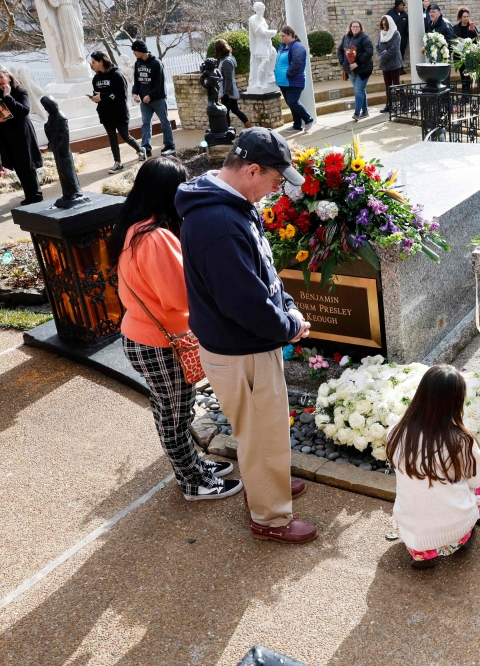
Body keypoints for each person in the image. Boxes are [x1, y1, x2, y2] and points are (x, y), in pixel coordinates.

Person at [176, 127, 315, 544]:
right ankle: (269, 517)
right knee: (260, 432)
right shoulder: (219, 222)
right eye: (274, 181)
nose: (275, 191)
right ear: (252, 170)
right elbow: (248, 304)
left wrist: (287, 306)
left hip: (241, 345)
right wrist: (292, 325)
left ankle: (265, 482)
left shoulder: (228, 204)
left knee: (263, 428)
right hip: (241, 349)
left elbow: (262, 275)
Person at [111, 158, 243, 501]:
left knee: (169, 408)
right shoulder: (156, 237)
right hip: (159, 343)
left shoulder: (134, 227)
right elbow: (178, 297)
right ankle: (192, 482)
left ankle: (194, 467)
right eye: (182, 185)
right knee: (175, 413)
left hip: (143, 336)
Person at [388, 365, 480, 569]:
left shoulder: (396, 432)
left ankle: (422, 554)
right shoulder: (461, 441)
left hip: (410, 528)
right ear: (456, 402)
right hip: (453, 527)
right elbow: (477, 478)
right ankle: (461, 538)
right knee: (477, 484)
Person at [88, 51, 143, 174]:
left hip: (119, 112)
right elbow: (98, 93)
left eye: (94, 62)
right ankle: (117, 162)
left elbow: (121, 95)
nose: (92, 65)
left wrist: (103, 96)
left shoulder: (117, 75)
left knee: (125, 136)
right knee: (112, 138)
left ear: (101, 62)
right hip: (105, 113)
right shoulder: (96, 78)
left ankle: (140, 150)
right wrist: (95, 98)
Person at [0, 66, 43, 205]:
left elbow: (24, 110)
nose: (0, 81)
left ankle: (36, 196)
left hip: (22, 133)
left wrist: (8, 97)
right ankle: (29, 195)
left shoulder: (20, 91)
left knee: (28, 165)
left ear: (9, 77)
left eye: (1, 77)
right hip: (7, 134)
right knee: (18, 166)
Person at [131, 40, 175, 157]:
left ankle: (169, 145)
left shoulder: (156, 63)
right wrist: (135, 93)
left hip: (158, 99)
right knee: (146, 123)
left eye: (135, 50)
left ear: (141, 50)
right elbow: (137, 81)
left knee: (164, 122)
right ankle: (146, 148)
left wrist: (150, 96)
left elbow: (159, 84)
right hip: (144, 102)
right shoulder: (137, 64)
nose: (134, 53)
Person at [275, 27, 314, 132]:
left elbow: (297, 63)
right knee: (291, 103)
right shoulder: (283, 47)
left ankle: (308, 119)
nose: (282, 38)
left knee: (292, 102)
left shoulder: (297, 47)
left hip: (293, 81)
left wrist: (288, 74)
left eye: (283, 36)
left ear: (290, 35)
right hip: (283, 82)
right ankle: (297, 125)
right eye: (281, 36)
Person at [338, 20, 374, 121]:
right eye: (353, 26)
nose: (355, 28)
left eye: (357, 26)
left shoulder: (365, 38)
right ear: (350, 28)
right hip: (350, 70)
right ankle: (365, 111)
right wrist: (342, 61)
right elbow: (340, 50)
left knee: (358, 90)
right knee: (360, 90)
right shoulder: (346, 37)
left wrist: (357, 63)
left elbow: (369, 51)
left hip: (363, 70)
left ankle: (357, 113)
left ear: (360, 28)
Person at [216, 39, 252, 131]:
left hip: (228, 92)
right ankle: (250, 127)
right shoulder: (228, 59)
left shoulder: (226, 61)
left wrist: (226, 94)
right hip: (230, 90)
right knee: (235, 110)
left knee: (225, 113)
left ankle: (227, 133)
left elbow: (228, 78)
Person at [377, 15, 403, 113]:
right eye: (382, 24)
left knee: (396, 84)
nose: (384, 26)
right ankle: (389, 104)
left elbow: (394, 49)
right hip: (385, 64)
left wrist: (383, 56)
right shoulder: (381, 34)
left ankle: (404, 102)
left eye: (386, 24)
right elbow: (377, 47)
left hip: (394, 63)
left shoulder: (395, 34)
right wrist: (380, 55)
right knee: (387, 85)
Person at [454, 7, 480, 93]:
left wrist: (473, 32)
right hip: (459, 55)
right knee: (462, 75)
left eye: (467, 16)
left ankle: (468, 93)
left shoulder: (472, 27)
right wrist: (457, 40)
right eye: (464, 17)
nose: (466, 18)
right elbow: (452, 41)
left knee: (468, 75)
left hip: (469, 55)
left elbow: (478, 40)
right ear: (460, 17)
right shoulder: (456, 28)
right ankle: (464, 93)